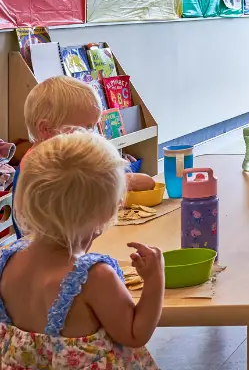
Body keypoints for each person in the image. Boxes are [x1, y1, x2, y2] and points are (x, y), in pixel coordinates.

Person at [0, 130, 163, 368]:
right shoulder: (94, 277)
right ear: (109, 212)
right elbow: (134, 334)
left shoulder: (7, 263)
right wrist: (155, 280)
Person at [23, 76, 155, 192]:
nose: (91, 136)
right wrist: (117, 183)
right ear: (46, 128)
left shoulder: (66, 157)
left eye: (92, 128)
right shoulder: (38, 170)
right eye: (84, 130)